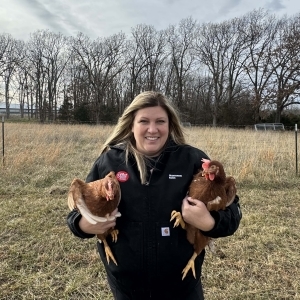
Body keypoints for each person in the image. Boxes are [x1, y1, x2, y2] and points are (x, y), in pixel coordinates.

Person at [67, 91, 242, 300]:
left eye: (160, 121)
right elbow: (76, 212)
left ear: (170, 125)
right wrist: (85, 225)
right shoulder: (109, 162)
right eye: (144, 121)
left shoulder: (193, 160)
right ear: (131, 124)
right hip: (127, 288)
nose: (153, 129)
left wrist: (209, 222)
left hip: (183, 288)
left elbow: (233, 212)